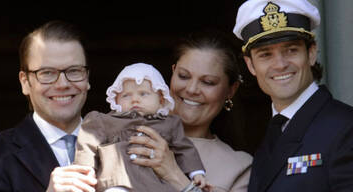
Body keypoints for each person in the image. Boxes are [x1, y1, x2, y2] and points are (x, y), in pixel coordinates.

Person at [232, 0, 353, 191]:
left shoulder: (346, 127)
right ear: (250, 65)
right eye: (265, 54)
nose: (280, 64)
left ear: (311, 53)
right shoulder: (271, 134)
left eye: (291, 50)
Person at [0, 21, 97, 192]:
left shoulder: (123, 145)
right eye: (47, 73)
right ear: (25, 82)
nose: (63, 84)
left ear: (87, 78)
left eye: (74, 70)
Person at [126, 31, 253, 192]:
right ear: (173, 72)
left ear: (231, 90)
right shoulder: (127, 127)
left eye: (208, 82)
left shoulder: (239, 167)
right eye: (184, 76)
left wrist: (173, 174)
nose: (192, 89)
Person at [74, 63, 207, 192]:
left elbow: (184, 148)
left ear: (161, 99)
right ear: (116, 99)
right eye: (126, 95)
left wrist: (196, 172)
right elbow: (88, 142)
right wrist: (85, 169)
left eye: (143, 94)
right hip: (118, 181)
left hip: (157, 185)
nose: (135, 100)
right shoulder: (106, 121)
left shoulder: (170, 123)